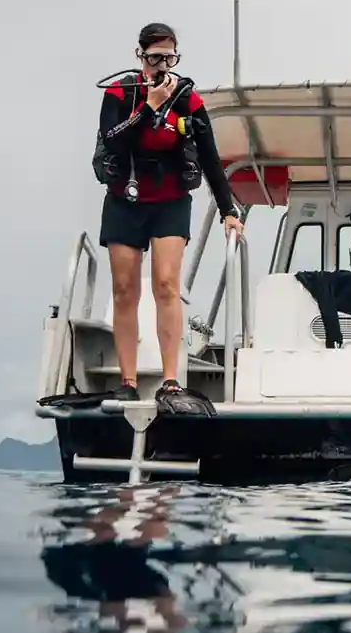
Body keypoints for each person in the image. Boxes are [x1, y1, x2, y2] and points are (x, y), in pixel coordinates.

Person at [96, 22, 242, 414]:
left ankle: (170, 379)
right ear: (140, 57)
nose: (162, 65)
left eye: (169, 57)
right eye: (155, 57)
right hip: (125, 199)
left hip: (170, 201)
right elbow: (113, 139)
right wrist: (150, 108)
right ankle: (127, 380)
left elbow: (210, 157)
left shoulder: (187, 99)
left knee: (166, 284)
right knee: (125, 289)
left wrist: (229, 210)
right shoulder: (119, 94)